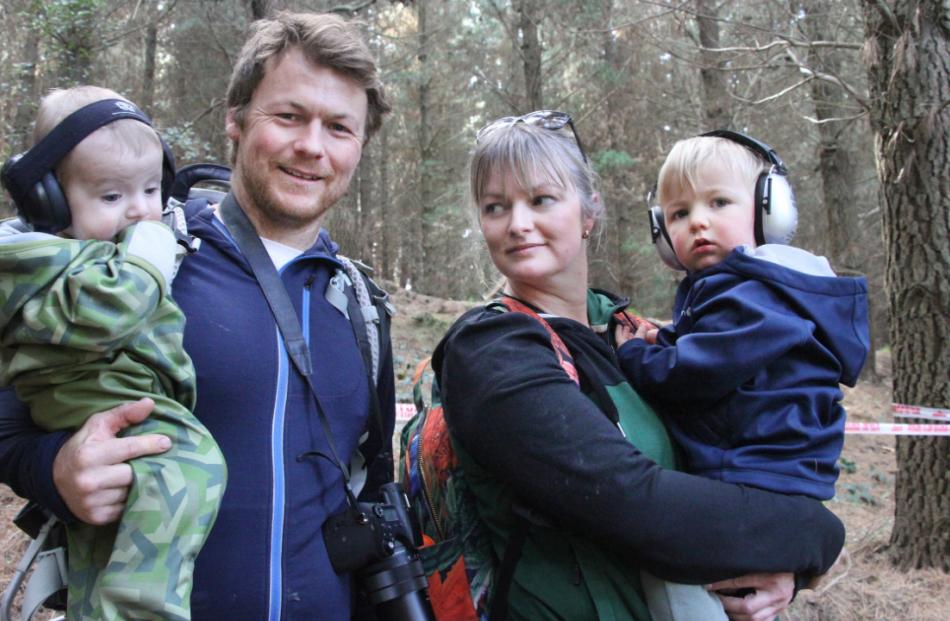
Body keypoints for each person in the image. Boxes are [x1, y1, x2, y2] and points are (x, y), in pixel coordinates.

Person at [0, 12, 395, 621]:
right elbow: (9, 423)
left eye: (339, 127)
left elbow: (370, 488)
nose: (312, 145)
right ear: (236, 121)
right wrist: (55, 470)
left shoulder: (360, 306)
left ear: (359, 146)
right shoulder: (142, 262)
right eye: (288, 116)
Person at [430, 111, 845, 621]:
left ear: (588, 213)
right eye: (496, 207)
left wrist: (778, 571)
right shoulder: (491, 350)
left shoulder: (627, 330)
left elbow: (733, 454)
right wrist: (817, 534)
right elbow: (637, 506)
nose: (518, 224)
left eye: (541, 200)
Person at [613, 132, 868, 620]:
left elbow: (697, 371)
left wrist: (633, 357)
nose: (698, 222)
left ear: (769, 212)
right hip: (763, 477)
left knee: (673, 566)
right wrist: (664, 341)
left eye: (719, 202)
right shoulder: (750, 291)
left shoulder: (756, 292)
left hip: (752, 475)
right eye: (679, 214)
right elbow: (717, 353)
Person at [0, 85, 226, 620]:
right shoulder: (42, 260)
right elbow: (111, 311)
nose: (138, 212)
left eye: (151, 190)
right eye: (110, 196)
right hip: (96, 395)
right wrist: (149, 261)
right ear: (48, 199)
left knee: (109, 545)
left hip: (112, 404)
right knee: (193, 465)